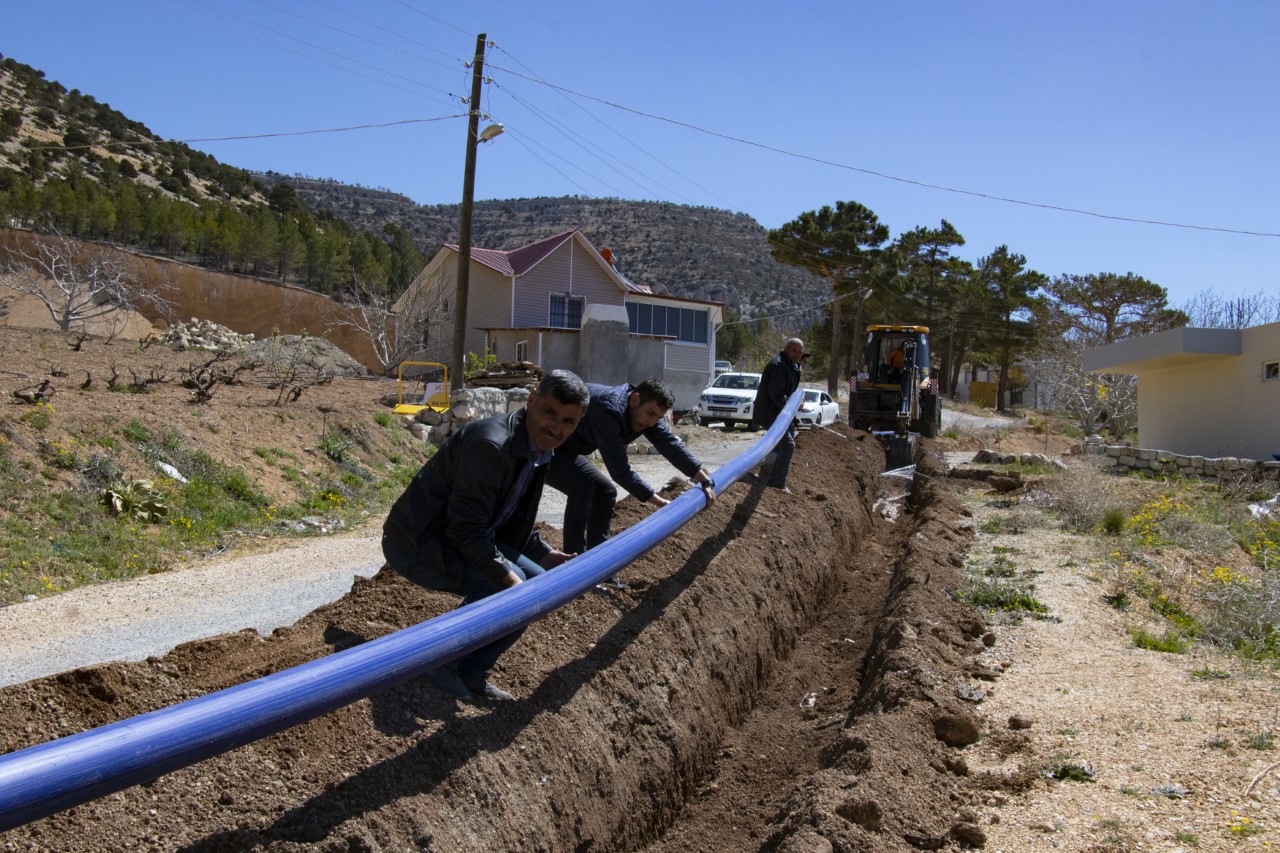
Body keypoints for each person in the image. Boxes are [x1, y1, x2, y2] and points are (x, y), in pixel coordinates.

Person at [381, 369, 591, 703]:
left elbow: (508, 513)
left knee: (534, 585)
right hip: (416, 542)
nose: (557, 428)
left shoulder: (536, 445)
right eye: (550, 413)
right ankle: (441, 663)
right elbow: (464, 529)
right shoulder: (491, 445)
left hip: (458, 536)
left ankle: (471, 670)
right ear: (532, 399)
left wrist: (540, 553)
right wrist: (510, 578)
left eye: (569, 421)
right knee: (511, 588)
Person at [545, 378, 716, 556]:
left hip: (567, 449)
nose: (651, 422)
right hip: (543, 446)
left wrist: (703, 479)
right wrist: (658, 501)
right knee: (583, 488)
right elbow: (619, 470)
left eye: (657, 417)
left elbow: (669, 443)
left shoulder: (640, 412)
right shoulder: (609, 410)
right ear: (635, 399)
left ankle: (599, 559)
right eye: (650, 413)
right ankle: (574, 563)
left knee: (605, 491)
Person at [753, 337, 804, 493]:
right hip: (770, 413)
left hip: (780, 414)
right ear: (787, 348)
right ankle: (778, 483)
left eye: (800, 352)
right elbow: (777, 395)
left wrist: (795, 404)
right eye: (795, 350)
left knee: (787, 438)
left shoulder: (791, 367)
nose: (798, 354)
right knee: (788, 445)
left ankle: (768, 466)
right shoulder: (778, 366)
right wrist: (792, 407)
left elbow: (789, 392)